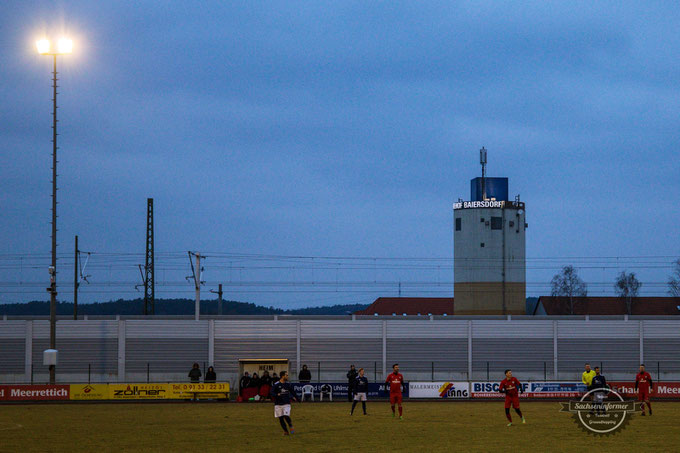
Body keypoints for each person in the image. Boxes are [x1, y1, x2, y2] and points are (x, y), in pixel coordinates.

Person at [270, 371, 299, 435]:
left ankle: (290, 425)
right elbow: (271, 392)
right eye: (286, 375)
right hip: (278, 404)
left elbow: (292, 392)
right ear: (283, 376)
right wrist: (277, 394)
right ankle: (286, 431)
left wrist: (297, 398)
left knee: (286, 415)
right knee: (280, 418)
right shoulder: (276, 384)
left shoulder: (288, 384)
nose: (287, 376)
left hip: (286, 403)